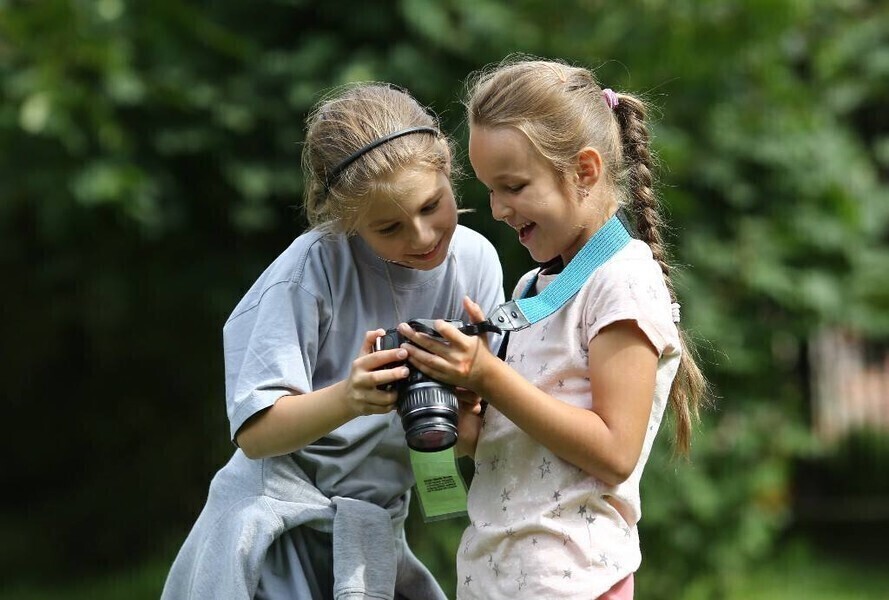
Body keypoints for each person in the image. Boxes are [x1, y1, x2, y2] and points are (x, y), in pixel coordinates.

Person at [161, 82, 505, 600]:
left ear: (448, 170)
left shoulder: (475, 264)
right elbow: (255, 434)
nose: (421, 236)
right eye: (388, 228)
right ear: (348, 223)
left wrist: (474, 385)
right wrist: (349, 399)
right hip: (275, 531)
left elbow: (476, 435)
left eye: (432, 205)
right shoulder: (311, 271)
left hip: (368, 536)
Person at [395, 57, 708, 599]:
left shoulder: (623, 282)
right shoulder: (530, 293)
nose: (497, 209)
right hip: (495, 578)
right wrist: (452, 401)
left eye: (513, 186)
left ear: (584, 171)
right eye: (491, 189)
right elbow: (500, 446)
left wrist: (492, 378)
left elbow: (614, 451)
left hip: (576, 581)